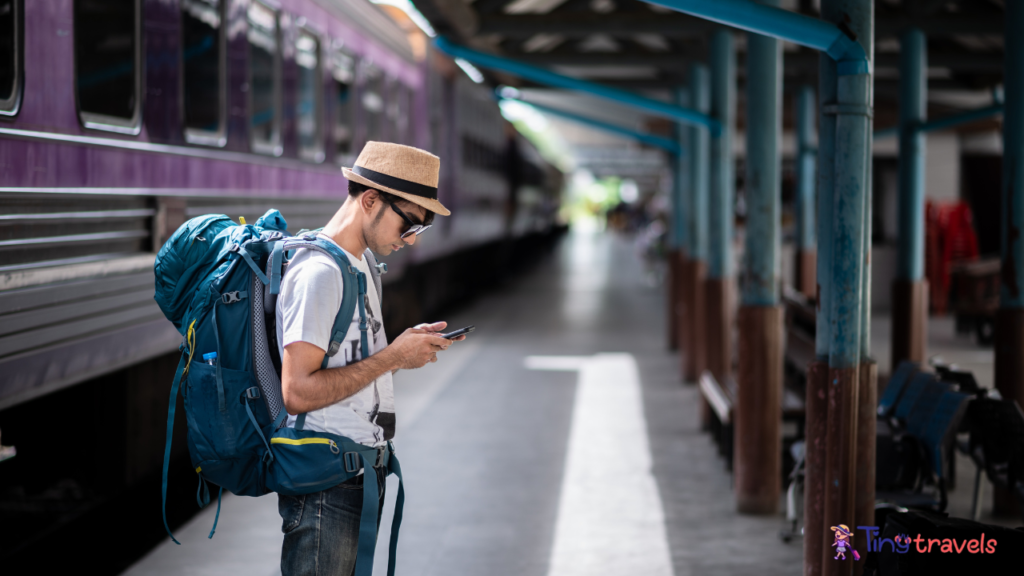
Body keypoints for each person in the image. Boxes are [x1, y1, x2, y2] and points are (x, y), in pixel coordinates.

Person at [275, 142, 463, 575]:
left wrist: (400, 351)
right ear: (371, 200)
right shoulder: (318, 274)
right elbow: (297, 392)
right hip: (325, 486)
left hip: (358, 476)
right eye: (410, 223)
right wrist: (392, 357)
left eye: (421, 229)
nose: (410, 239)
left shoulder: (360, 267)